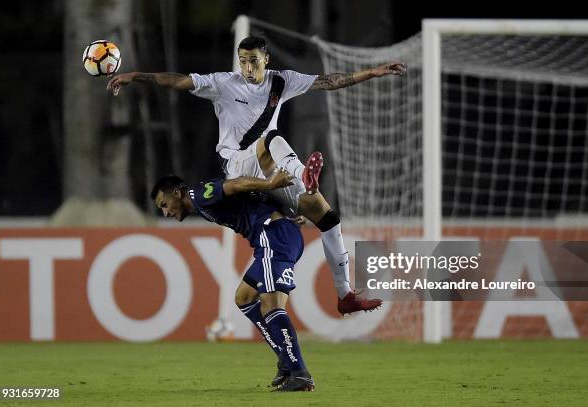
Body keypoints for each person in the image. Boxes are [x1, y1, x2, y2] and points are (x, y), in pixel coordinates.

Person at [107, 35, 404, 314]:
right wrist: (135, 77)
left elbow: (330, 81)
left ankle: (345, 296)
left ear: (266, 59)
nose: (247, 67)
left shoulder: (282, 81)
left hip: (267, 169)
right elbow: (176, 81)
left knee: (327, 218)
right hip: (236, 165)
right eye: (243, 60)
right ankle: (304, 178)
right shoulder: (223, 83)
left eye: (253, 60)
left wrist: (373, 72)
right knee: (270, 138)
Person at [150, 164, 314, 391]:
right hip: (276, 236)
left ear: (178, 193)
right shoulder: (202, 205)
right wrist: (287, 213)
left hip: (272, 237)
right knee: (244, 298)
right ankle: (286, 359)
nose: (166, 212)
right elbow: (251, 198)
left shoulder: (198, 194)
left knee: (272, 306)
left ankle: (299, 373)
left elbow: (236, 184)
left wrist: (270, 184)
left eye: (165, 205)